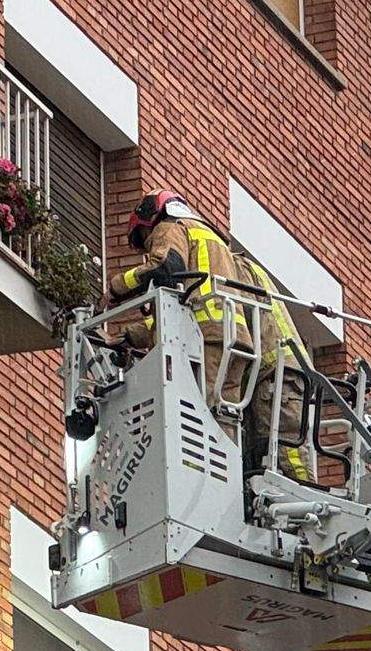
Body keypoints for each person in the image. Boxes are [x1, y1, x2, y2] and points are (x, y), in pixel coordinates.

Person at [114, 190, 309, 479]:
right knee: (223, 418)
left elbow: (166, 267)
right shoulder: (217, 248)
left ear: (150, 218)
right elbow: (182, 306)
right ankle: (226, 481)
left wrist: (116, 288)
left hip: (210, 340)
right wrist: (131, 335)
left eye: (143, 238)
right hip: (238, 343)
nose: (146, 245)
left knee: (199, 415)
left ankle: (201, 479)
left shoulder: (171, 228)